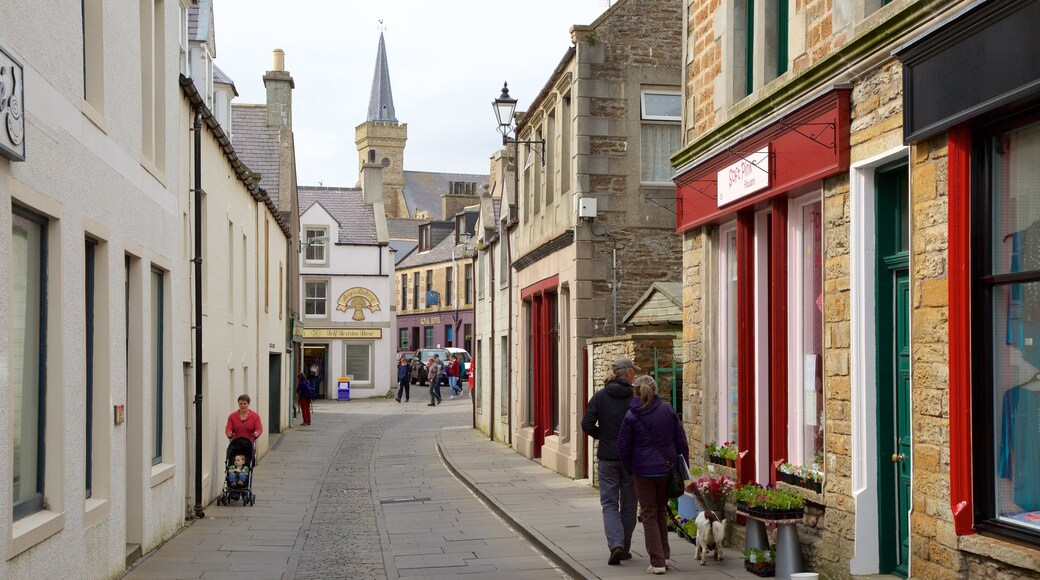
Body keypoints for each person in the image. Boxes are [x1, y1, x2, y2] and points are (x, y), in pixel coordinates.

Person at [617, 375, 689, 575]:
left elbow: (623, 447)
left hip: (643, 470)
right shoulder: (667, 410)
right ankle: (664, 555)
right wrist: (683, 468)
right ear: (655, 391)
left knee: (649, 513)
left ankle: (657, 561)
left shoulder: (632, 415)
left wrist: (630, 469)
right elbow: (681, 440)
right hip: (667, 468)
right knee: (660, 511)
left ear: (636, 392)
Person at [581, 357, 638, 566]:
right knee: (630, 505)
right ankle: (624, 548)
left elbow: (586, 424)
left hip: (607, 457)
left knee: (609, 504)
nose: (635, 375)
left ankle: (616, 545)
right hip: (630, 459)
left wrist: (602, 436)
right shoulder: (636, 398)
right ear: (628, 374)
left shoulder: (600, 396)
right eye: (633, 371)